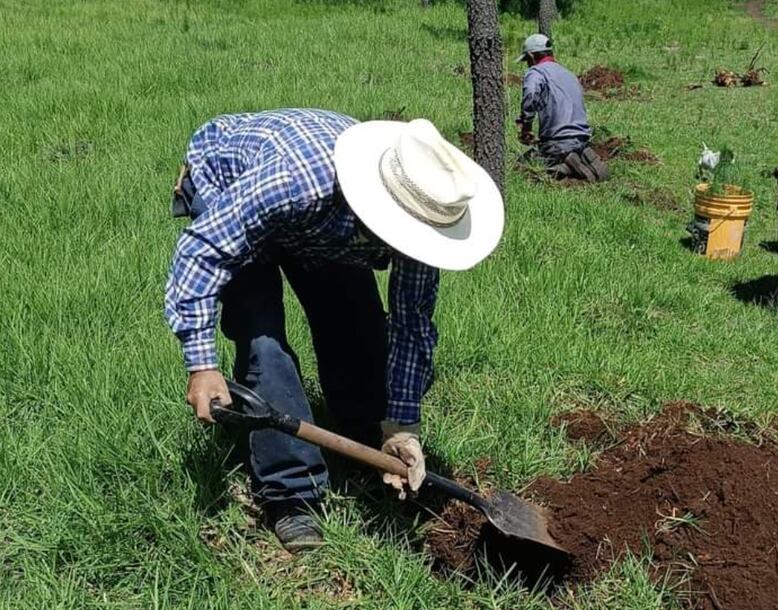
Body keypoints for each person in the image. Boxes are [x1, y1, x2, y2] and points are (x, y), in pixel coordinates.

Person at [165, 109, 504, 552]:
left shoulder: (425, 208)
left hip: (325, 226)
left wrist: (401, 425)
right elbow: (204, 251)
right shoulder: (298, 181)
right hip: (231, 186)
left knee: (358, 327)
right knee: (263, 344)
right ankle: (291, 493)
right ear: (385, 210)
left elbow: (412, 322)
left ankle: (365, 435)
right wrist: (201, 362)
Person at [515, 34, 608, 182]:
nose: (527, 64)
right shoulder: (569, 74)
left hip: (557, 141)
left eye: (527, 60)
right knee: (566, 149)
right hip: (582, 139)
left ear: (531, 56)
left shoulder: (535, 72)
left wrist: (526, 127)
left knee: (522, 166)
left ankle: (562, 168)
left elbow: (531, 94)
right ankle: (581, 158)